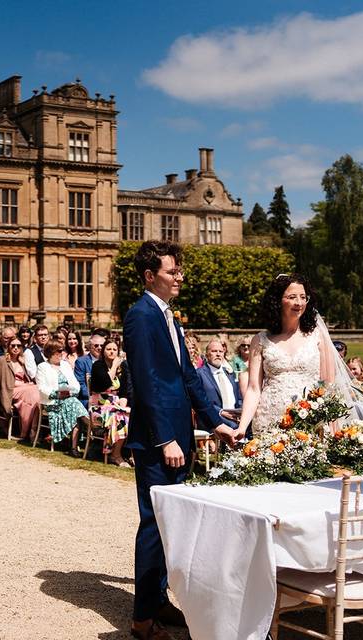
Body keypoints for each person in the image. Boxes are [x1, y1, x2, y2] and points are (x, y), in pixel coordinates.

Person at [123, 240, 235, 640]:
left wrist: (214, 421)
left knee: (176, 527)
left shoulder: (170, 318)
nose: (180, 276)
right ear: (150, 275)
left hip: (182, 437)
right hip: (160, 442)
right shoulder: (140, 316)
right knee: (155, 525)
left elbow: (188, 376)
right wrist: (165, 439)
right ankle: (141, 620)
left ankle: (159, 601)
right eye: (172, 271)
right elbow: (146, 384)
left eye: (179, 270)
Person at [235, 274, 338, 439]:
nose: (299, 303)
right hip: (269, 420)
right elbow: (254, 388)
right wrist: (242, 427)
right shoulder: (260, 340)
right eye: (292, 297)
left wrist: (331, 426)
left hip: (311, 420)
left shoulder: (318, 337)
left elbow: (328, 384)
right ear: (277, 301)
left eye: (303, 297)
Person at [35, 339, 89, 456]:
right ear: (50, 352)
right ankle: (91, 426)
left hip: (69, 399)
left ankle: (73, 448)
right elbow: (41, 387)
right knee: (74, 405)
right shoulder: (42, 367)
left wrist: (70, 393)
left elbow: (75, 385)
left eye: (62, 350)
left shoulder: (65, 365)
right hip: (52, 402)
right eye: (58, 351)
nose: (61, 353)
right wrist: (57, 394)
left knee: (73, 405)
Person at [89, 338, 130, 467]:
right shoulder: (98, 365)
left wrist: (123, 405)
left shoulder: (122, 368)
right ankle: (115, 455)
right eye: (109, 349)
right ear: (103, 351)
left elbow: (123, 391)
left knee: (130, 414)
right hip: (99, 406)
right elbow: (106, 383)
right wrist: (114, 366)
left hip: (115, 404)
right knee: (119, 417)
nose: (112, 352)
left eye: (114, 349)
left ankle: (131, 454)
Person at [0, 337, 40, 441]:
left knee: (34, 397)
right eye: (12, 345)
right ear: (8, 347)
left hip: (25, 391)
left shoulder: (21, 361)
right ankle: (27, 433)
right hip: (10, 391)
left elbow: (29, 378)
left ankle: (31, 431)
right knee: (32, 390)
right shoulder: (2, 360)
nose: (15, 348)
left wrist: (24, 365)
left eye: (18, 346)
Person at [197, 339, 243, 430]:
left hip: (234, 417)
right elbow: (199, 400)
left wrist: (240, 411)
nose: (218, 354)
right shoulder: (199, 374)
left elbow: (238, 397)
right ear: (207, 354)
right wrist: (221, 411)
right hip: (213, 418)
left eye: (220, 351)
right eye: (214, 351)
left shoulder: (230, 373)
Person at [74, 332, 106, 409]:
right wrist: (96, 397)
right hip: (89, 400)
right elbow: (81, 385)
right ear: (89, 347)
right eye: (96, 345)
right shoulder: (81, 362)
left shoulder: (108, 361)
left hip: (107, 399)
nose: (99, 348)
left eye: (102, 345)